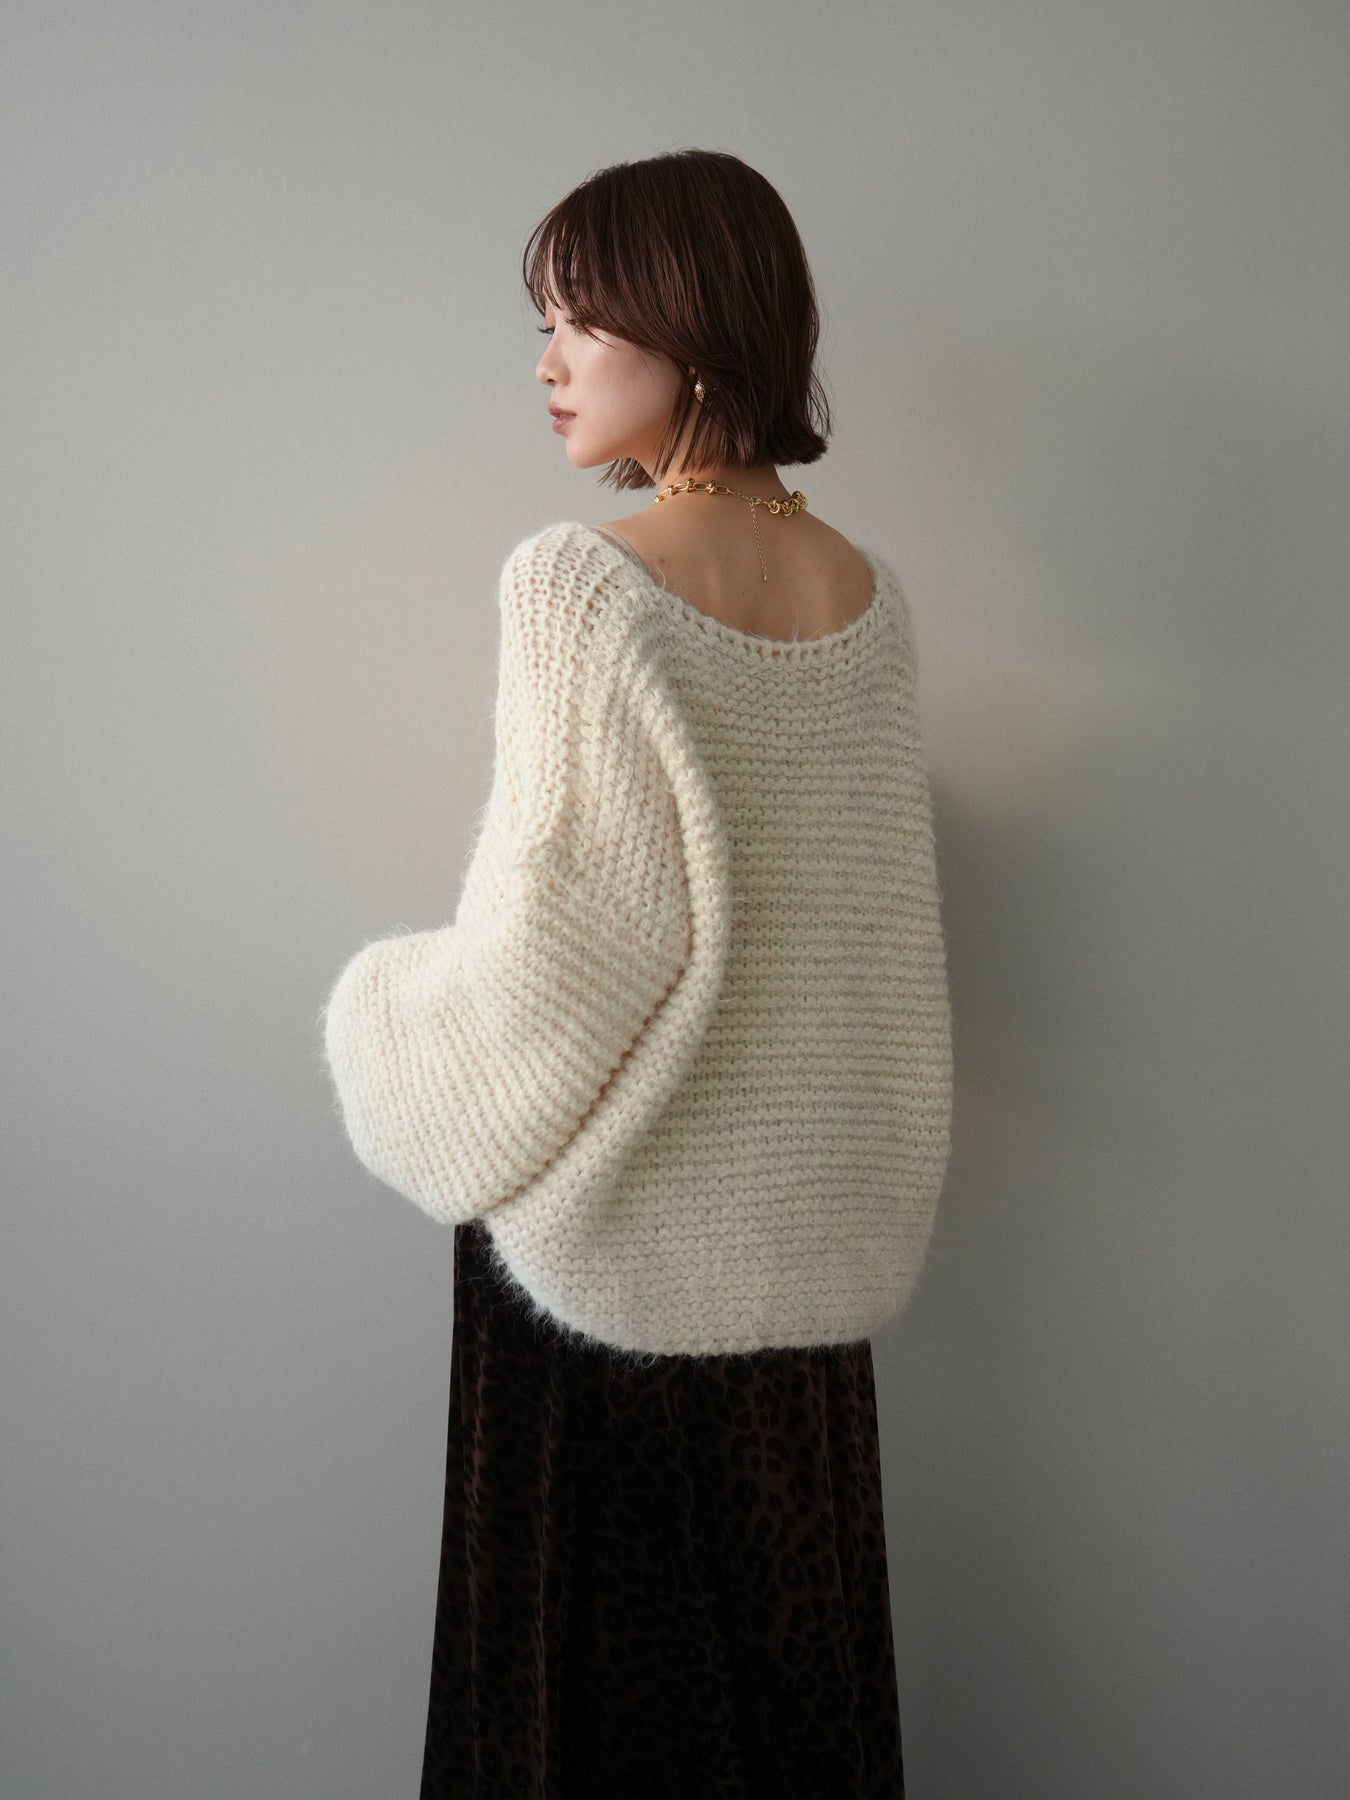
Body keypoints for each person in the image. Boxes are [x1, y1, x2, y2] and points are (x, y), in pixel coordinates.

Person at [320, 147, 953, 1800]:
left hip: (609, 1281)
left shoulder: (581, 582)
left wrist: (385, 1025)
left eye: (580, 320)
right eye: (544, 324)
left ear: (692, 324)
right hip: (799, 1299)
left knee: (589, 1730)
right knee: (788, 1718)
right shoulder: (867, 598)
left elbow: (571, 947)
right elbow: (866, 958)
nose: (547, 363)